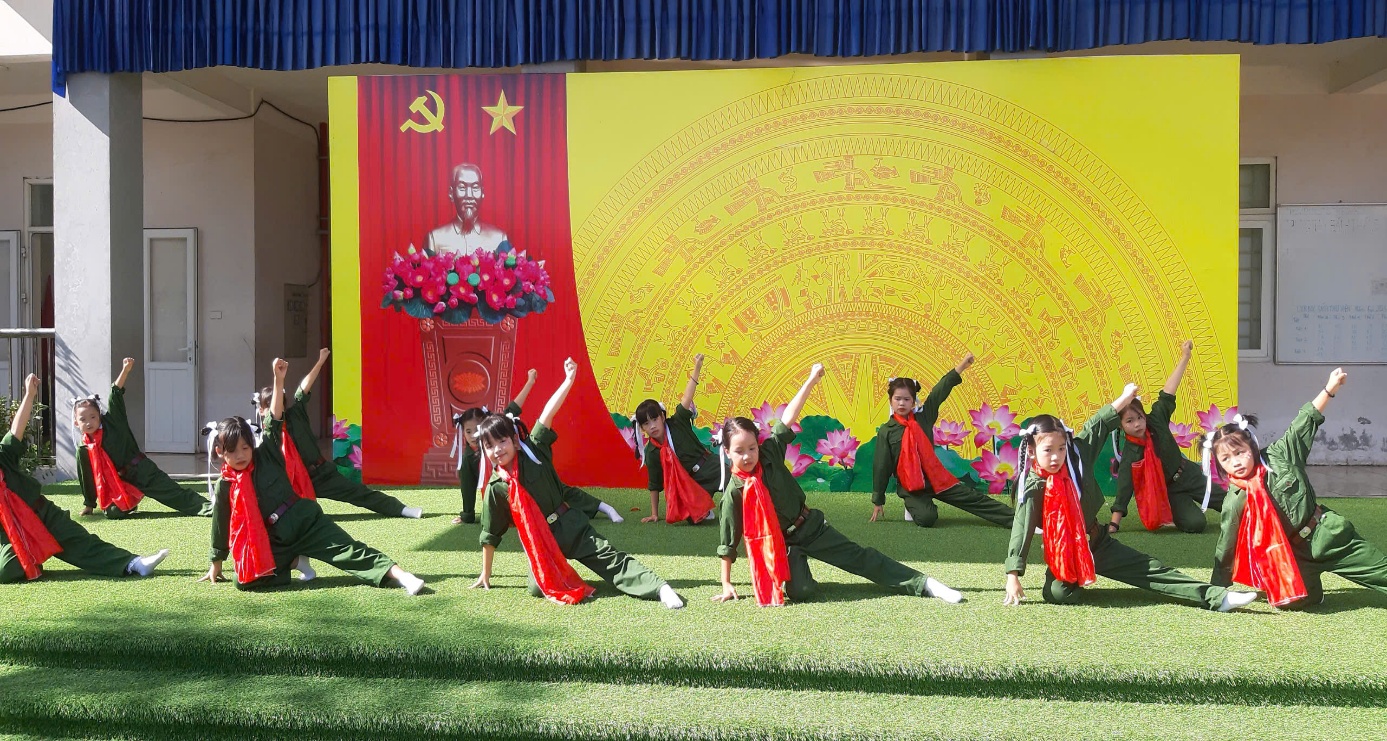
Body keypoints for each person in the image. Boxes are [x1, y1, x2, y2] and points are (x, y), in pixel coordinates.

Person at [713, 364, 963, 606]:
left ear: (758, 445)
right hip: (782, 544)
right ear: (727, 451)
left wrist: (811, 380)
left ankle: (924, 584)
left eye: (752, 448)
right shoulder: (734, 491)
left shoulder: (770, 453)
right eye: (739, 451)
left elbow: (787, 418)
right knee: (801, 592)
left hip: (809, 526)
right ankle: (797, 566)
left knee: (860, 557)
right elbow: (728, 540)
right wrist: (726, 583)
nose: (747, 456)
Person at [1002, 384, 1257, 612]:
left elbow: (1097, 425)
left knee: (1152, 569)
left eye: (1060, 448)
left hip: (1097, 542)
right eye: (1048, 450)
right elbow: (1021, 528)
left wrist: (1124, 398)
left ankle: (1217, 597)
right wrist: (1013, 574)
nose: (1056, 456)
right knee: (1059, 594)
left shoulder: (1076, 456)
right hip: (1065, 554)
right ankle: (1077, 573)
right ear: (1032, 451)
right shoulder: (1032, 486)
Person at [470, 358, 681, 607]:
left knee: (610, 558)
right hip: (541, 542)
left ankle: (659, 588)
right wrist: (485, 573)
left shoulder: (535, 451)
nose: (497, 450)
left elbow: (547, 413)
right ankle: (565, 575)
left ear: (515, 441)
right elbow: (490, 533)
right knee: (537, 588)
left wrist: (568, 380)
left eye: (502, 441)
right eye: (489, 446)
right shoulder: (496, 487)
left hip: (569, 526)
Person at [202, 358, 425, 594]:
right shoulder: (226, 484)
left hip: (304, 520)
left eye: (245, 448)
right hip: (276, 539)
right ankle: (295, 561)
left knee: (351, 551)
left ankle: (404, 577)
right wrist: (216, 562)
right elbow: (220, 522)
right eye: (232, 451)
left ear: (252, 445)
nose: (240, 455)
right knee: (244, 580)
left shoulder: (267, 453)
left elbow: (274, 419)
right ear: (220, 452)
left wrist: (278, 380)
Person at [1209, 368, 1387, 608]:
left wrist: (1330, 388)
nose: (1236, 462)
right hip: (1294, 555)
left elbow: (1304, 422)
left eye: (1239, 452)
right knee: (1287, 601)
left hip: (1329, 536)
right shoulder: (1235, 498)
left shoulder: (1280, 455)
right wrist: (1216, 589)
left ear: (1252, 447)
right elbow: (1226, 544)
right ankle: (1312, 593)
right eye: (1226, 458)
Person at [3, 374, 170, 583]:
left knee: (82, 543)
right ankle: (30, 554)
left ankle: (135, 563)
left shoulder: (3, 454)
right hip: (8, 531)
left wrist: (29, 395)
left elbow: (16, 431)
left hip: (42, 513)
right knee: (8, 570)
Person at [261, 348, 422, 519]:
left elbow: (302, 390)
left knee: (358, 492)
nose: (275, 406)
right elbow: (275, 416)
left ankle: (401, 509)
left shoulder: (296, 414)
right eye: (268, 406)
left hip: (320, 474)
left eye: (278, 402)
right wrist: (278, 380)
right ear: (262, 410)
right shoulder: (270, 430)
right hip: (293, 483)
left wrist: (320, 361)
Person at [869, 353, 1015, 528]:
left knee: (973, 498)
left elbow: (939, 391)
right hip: (911, 486)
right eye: (897, 399)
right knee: (927, 518)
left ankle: (1016, 520)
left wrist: (961, 367)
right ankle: (917, 504)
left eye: (906, 399)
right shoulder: (886, 431)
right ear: (891, 401)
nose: (901, 403)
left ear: (913, 402)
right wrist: (878, 500)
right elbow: (882, 466)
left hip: (936, 478)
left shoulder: (924, 417)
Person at [1109, 340, 1224, 534]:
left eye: (1139, 417)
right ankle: (1179, 510)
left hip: (1188, 473)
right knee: (1196, 524)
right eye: (1129, 421)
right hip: (1170, 490)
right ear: (1121, 425)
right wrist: (1114, 524)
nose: (1137, 424)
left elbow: (1168, 392)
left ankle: (1258, 517)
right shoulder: (1130, 453)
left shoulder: (1156, 420)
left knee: (1229, 502)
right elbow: (1124, 489)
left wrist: (1185, 357)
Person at [75, 357, 212, 518]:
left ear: (99, 416)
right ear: (76, 423)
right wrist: (89, 504)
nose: (89, 422)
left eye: (92, 417)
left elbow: (115, 393)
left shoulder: (114, 422)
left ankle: (212, 508)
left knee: (174, 494)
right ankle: (131, 500)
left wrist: (125, 370)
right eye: (83, 419)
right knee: (113, 513)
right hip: (120, 481)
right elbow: (87, 476)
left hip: (141, 470)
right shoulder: (84, 447)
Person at [633, 353, 718, 525]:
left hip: (710, 466)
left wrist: (697, 367)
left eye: (655, 419)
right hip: (692, 482)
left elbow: (687, 397)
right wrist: (654, 514)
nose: (652, 426)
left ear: (662, 417)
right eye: (646, 423)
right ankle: (703, 508)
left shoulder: (678, 421)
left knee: (737, 483)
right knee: (692, 519)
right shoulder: (652, 452)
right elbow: (655, 484)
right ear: (642, 428)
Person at [451, 369, 538, 524]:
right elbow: (467, 487)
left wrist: (530, 382)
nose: (473, 435)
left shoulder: (496, 435)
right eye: (468, 431)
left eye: (477, 430)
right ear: (462, 432)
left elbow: (513, 409)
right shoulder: (469, 457)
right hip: (495, 503)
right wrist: (467, 515)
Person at [425, 163, 509, 255]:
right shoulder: (435, 238)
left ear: (482, 192)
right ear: (451, 193)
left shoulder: (499, 238)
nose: (469, 195)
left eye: (475, 188)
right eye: (462, 187)